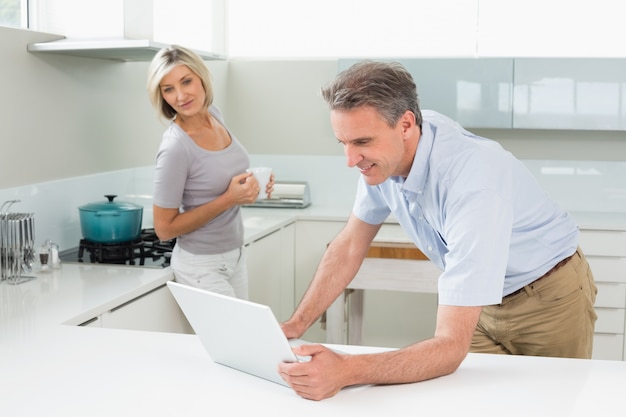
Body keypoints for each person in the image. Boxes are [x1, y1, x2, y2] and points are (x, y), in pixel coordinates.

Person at [278, 61, 597, 400]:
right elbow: (350, 244)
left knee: (554, 403)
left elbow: (449, 348)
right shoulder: (384, 158)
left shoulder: (472, 179)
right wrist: (297, 323)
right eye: (342, 142)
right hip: (482, 306)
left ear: (406, 124)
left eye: (362, 141)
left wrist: (347, 370)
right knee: (473, 403)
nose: (350, 159)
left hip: (549, 298)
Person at [146, 45, 273, 299]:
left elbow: (218, 177)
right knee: (233, 337)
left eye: (186, 81)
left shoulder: (214, 115)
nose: (180, 96)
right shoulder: (175, 147)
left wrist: (253, 184)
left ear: (202, 77)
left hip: (235, 255)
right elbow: (164, 229)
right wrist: (229, 198)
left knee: (240, 338)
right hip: (201, 266)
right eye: (168, 89)